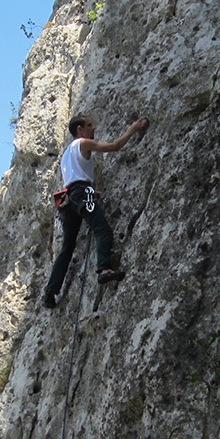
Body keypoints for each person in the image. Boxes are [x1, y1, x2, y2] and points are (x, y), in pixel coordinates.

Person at [44, 114, 149, 308]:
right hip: (82, 195)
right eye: (90, 125)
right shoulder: (83, 143)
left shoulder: (66, 154)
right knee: (102, 230)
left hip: (69, 201)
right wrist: (133, 128)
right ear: (79, 130)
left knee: (67, 248)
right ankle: (104, 270)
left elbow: (74, 181)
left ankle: (50, 292)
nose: (93, 129)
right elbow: (114, 146)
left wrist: (92, 193)